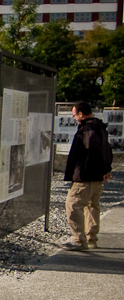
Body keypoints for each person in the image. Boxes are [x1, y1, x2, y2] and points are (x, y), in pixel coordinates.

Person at [61, 101, 113, 251]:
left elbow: (92, 148)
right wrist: (105, 169)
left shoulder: (88, 128)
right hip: (97, 176)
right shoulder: (100, 127)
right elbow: (107, 150)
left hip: (85, 175)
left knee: (73, 204)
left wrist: (97, 169)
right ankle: (91, 238)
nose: (74, 118)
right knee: (92, 206)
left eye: (74, 115)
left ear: (80, 114)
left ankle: (78, 240)